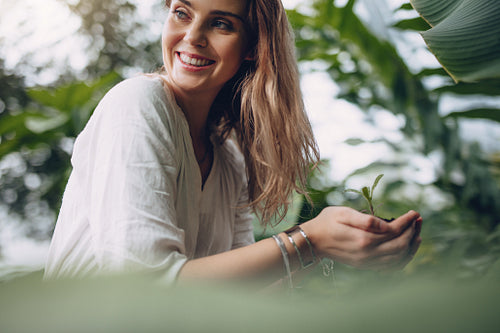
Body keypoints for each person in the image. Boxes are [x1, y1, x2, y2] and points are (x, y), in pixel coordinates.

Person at [44, 0, 422, 287]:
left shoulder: (228, 157)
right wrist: (310, 240)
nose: (192, 36)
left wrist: (353, 251)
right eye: (182, 13)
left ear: (252, 47)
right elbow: (142, 287)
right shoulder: (138, 105)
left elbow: (242, 294)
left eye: (221, 23)